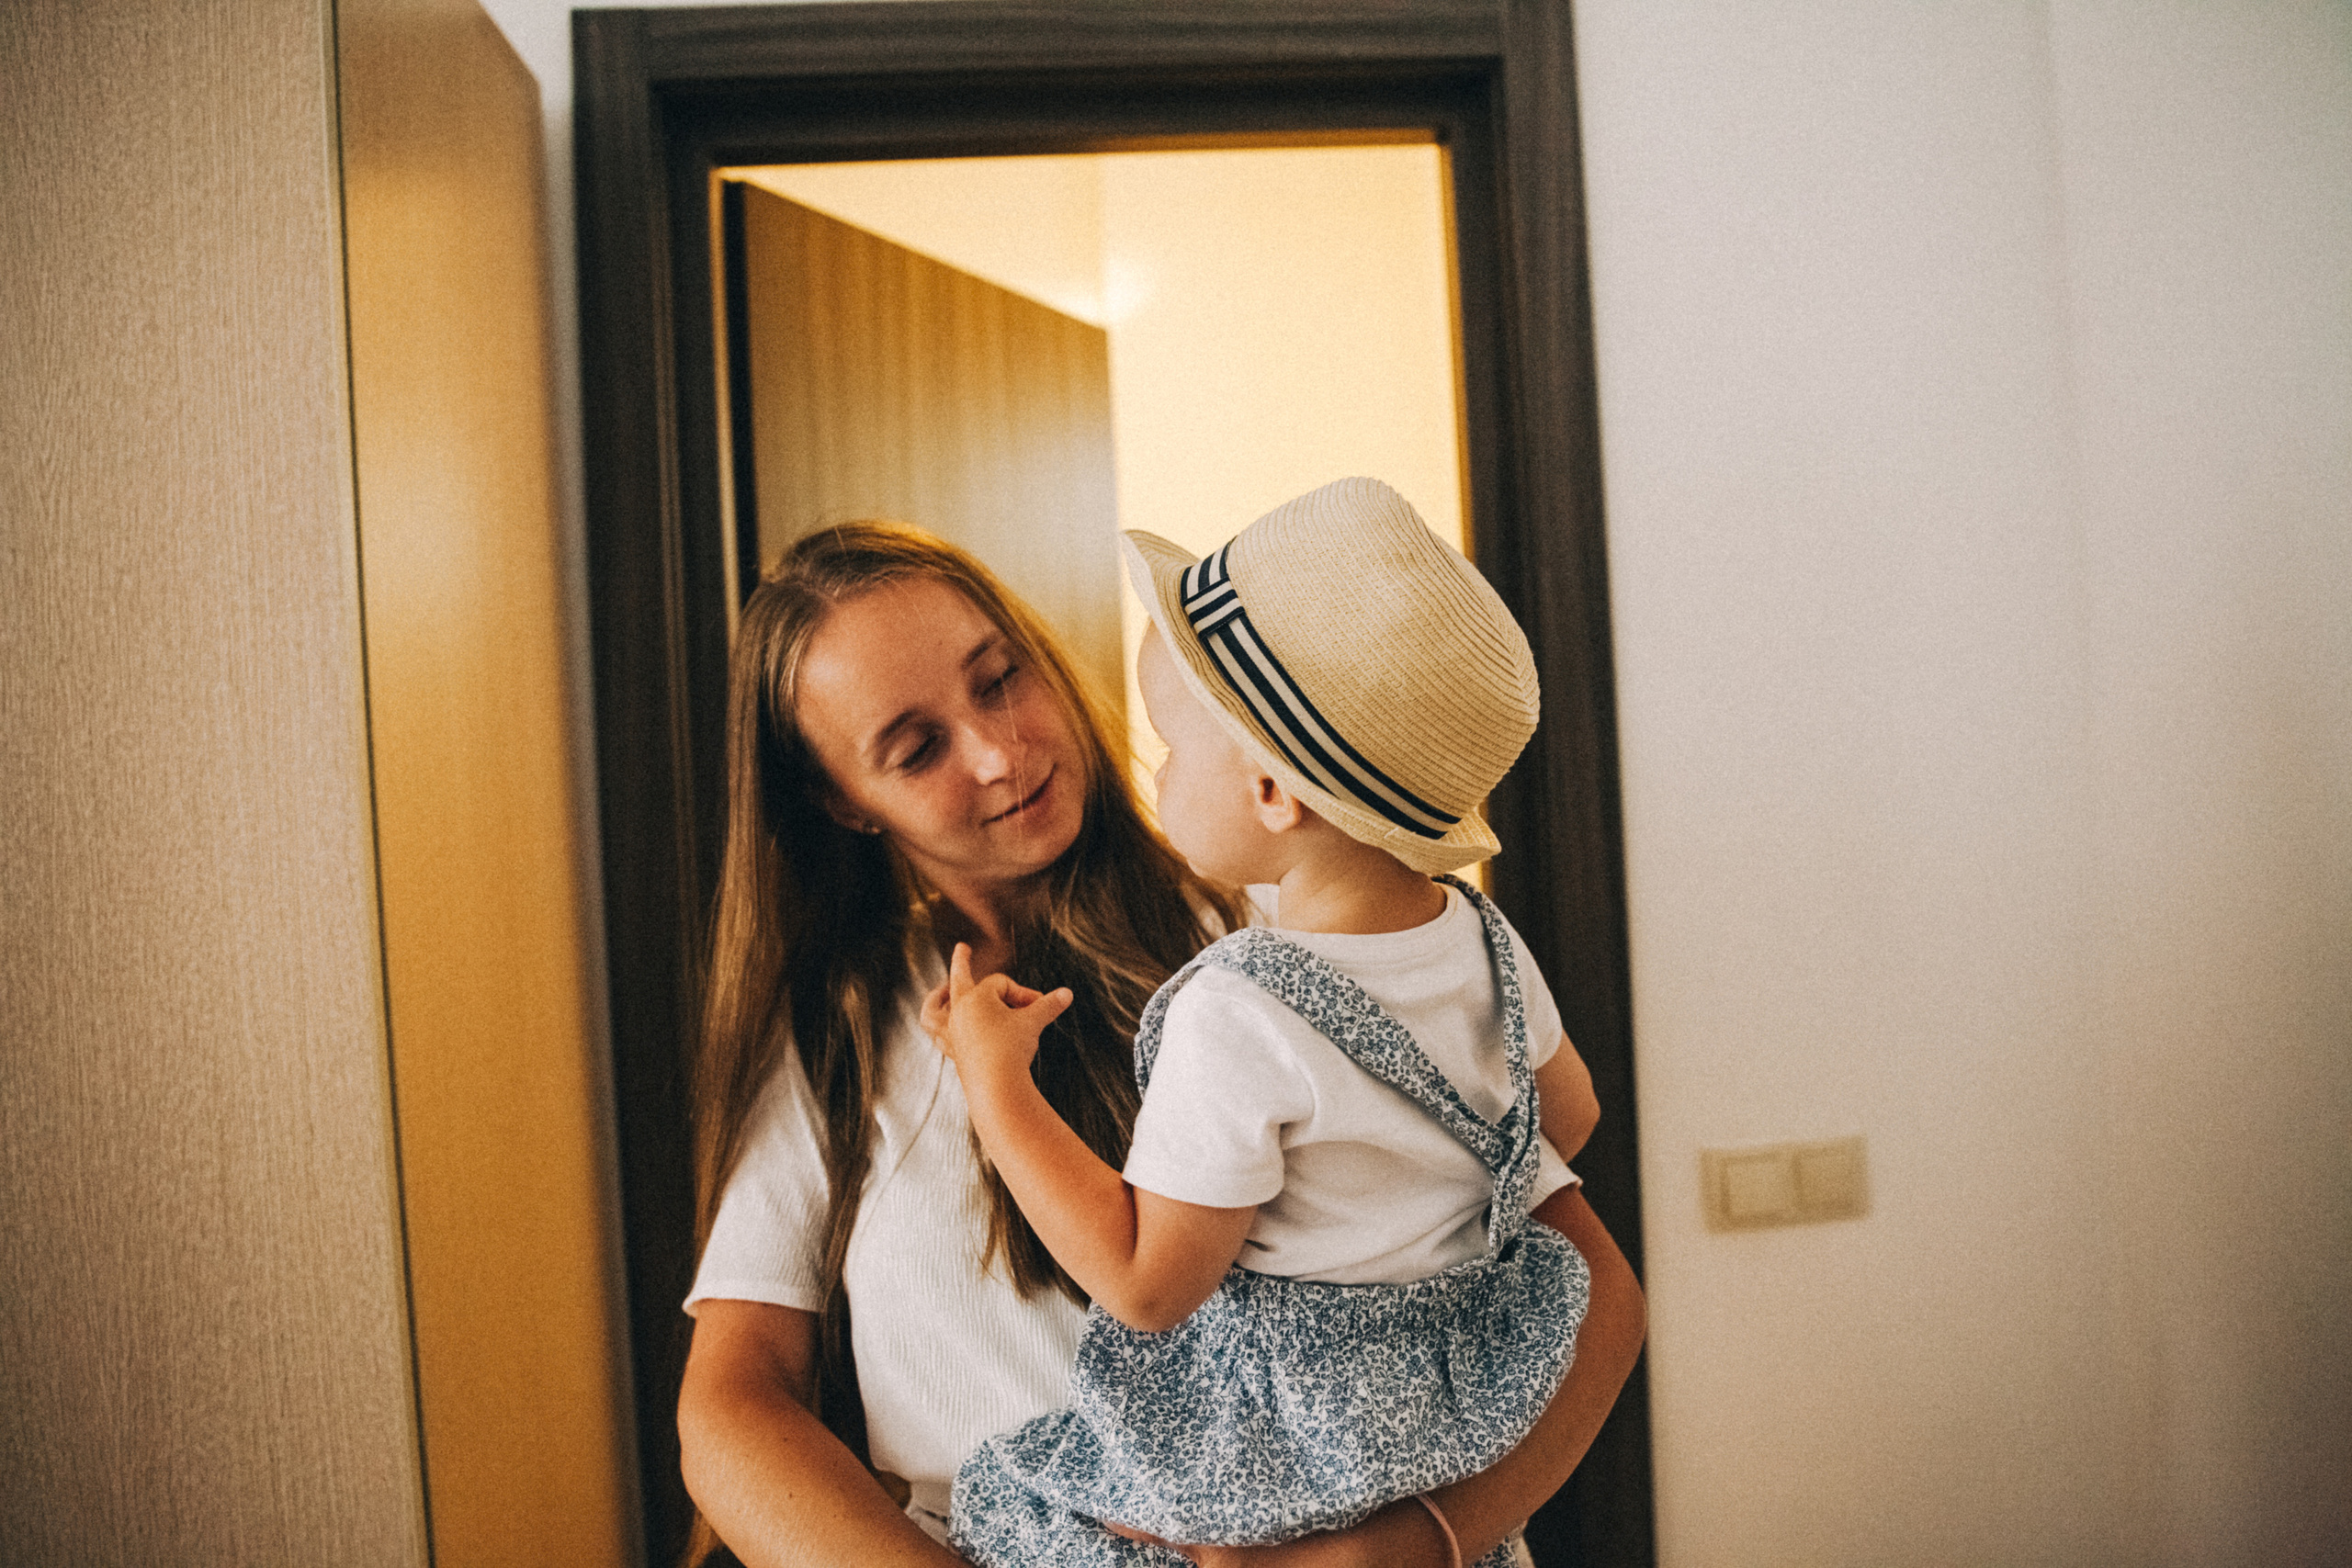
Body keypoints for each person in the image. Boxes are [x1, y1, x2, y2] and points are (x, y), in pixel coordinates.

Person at [676, 518, 1645, 1568]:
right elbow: (731, 1409)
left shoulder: (1299, 943)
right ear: (842, 802)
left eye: (999, 680)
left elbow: (1587, 1285)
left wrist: (1404, 1547)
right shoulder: (838, 1032)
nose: (999, 753)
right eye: (917, 750)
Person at [929, 478, 1623, 1568]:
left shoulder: (1238, 1009)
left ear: (1270, 794)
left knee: (1016, 1503)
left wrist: (994, 1086)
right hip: (1444, 1418)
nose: (1155, 772)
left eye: (1170, 745)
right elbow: (1565, 1121)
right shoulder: (1484, 942)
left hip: (1282, 1438)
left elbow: (1146, 1285)